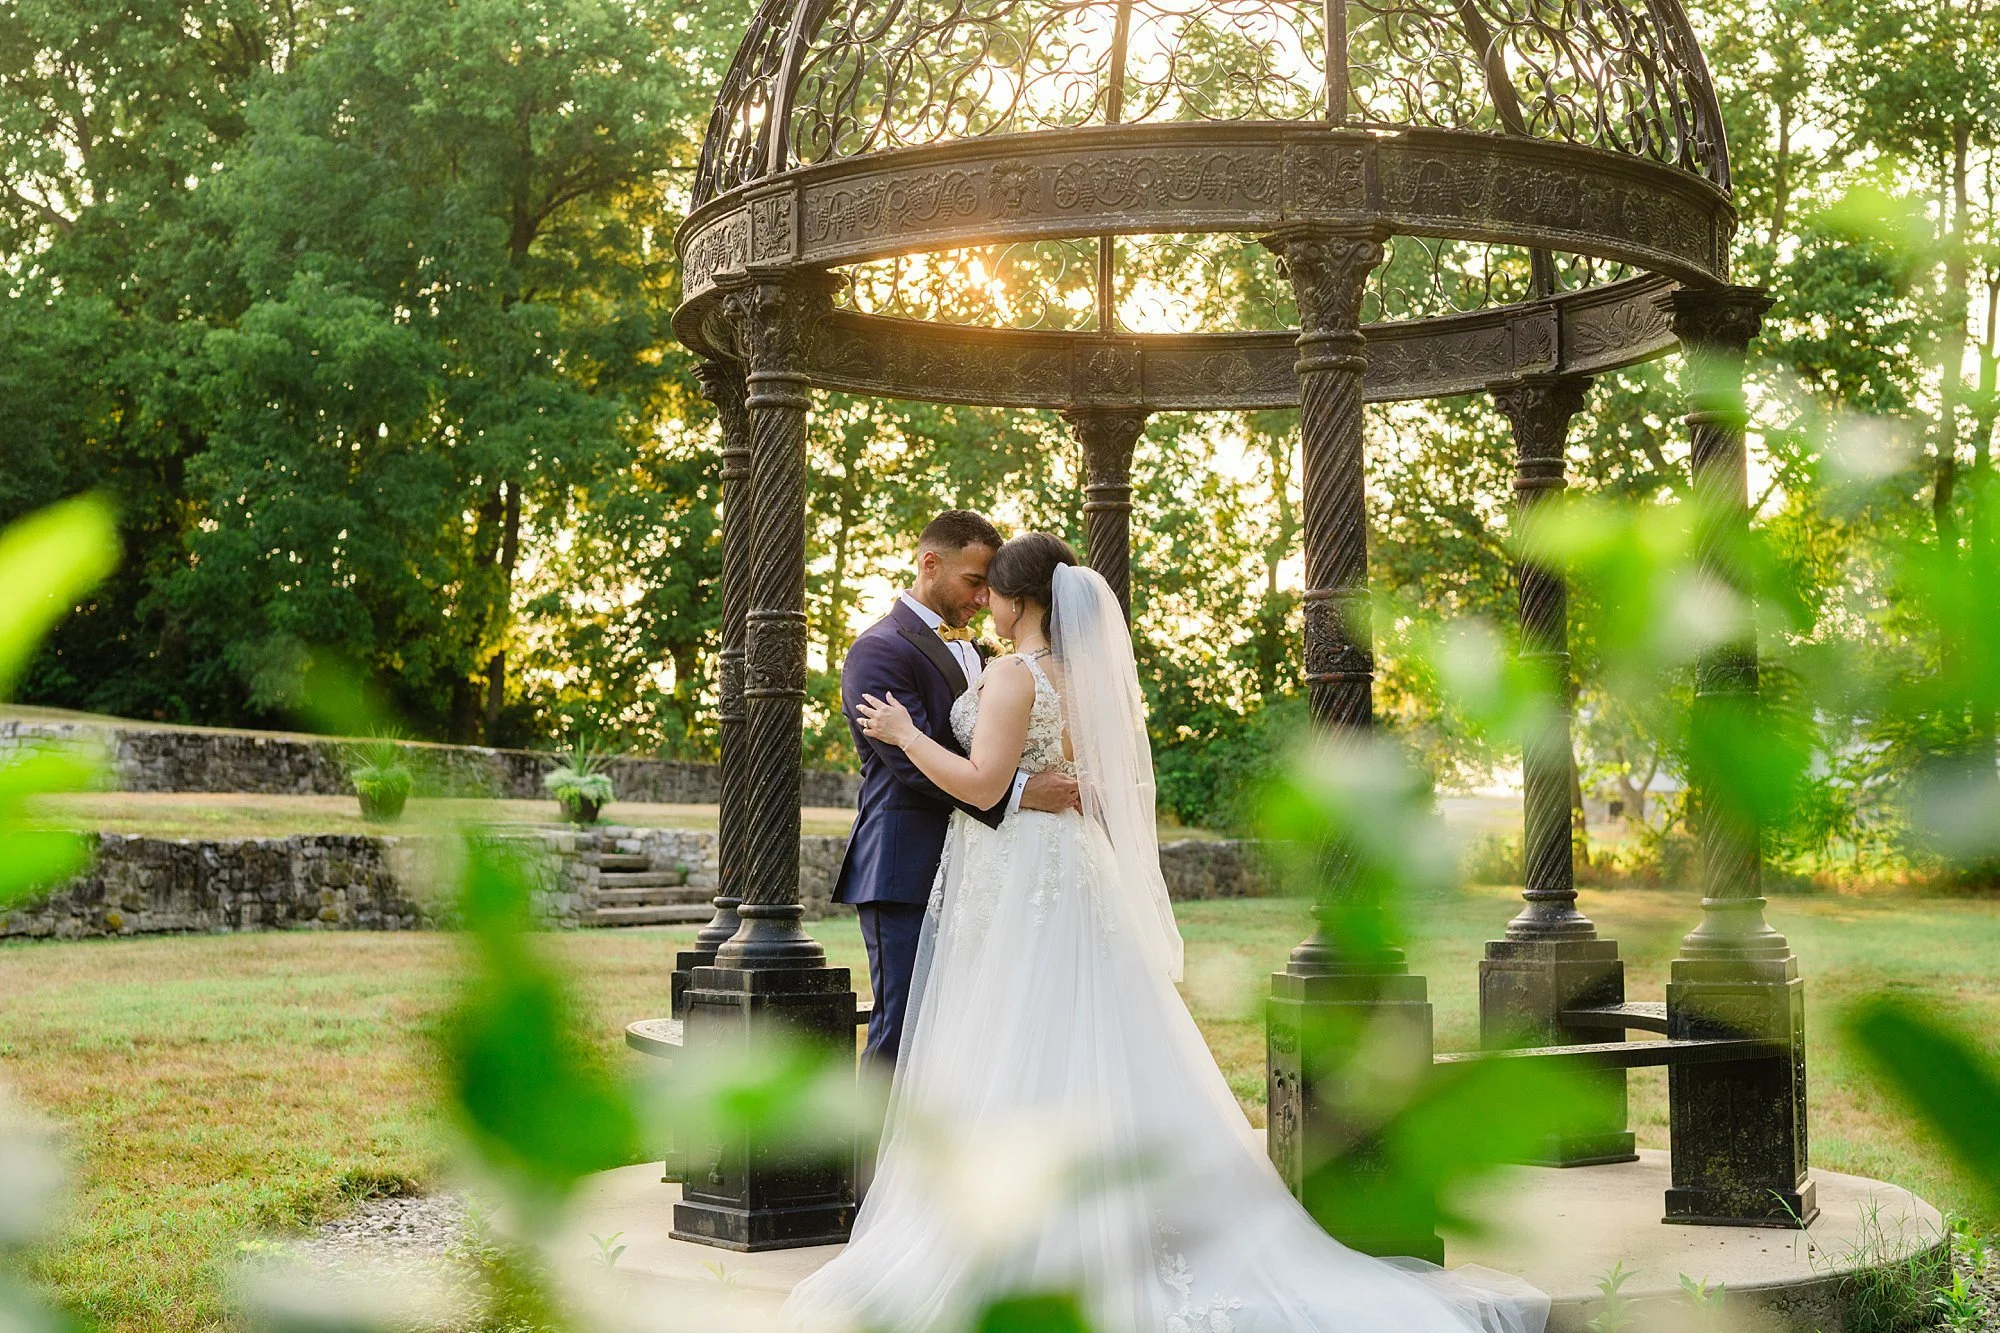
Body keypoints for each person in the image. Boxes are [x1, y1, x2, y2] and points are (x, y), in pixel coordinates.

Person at [788, 533, 1548, 1333]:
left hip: (1020, 874)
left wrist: (909, 736)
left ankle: (1019, 1238)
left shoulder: (1013, 673)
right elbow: (1075, 777)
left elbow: (982, 782)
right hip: (1059, 872)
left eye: (994, 592)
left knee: (1015, 1037)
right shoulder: (1078, 677)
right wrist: (1031, 787)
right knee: (1066, 1033)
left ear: (1023, 600)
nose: (985, 604)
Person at [834, 510, 1080, 1069]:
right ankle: (876, 1160)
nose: (984, 595)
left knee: (968, 1031)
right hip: (908, 866)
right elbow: (908, 767)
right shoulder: (880, 649)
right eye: (974, 582)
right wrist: (1021, 792)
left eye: (992, 585)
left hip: (986, 868)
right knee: (903, 1029)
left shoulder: (1000, 657)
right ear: (930, 563)